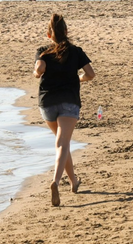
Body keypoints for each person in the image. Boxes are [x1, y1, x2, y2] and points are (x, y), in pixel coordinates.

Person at [33, 14, 95, 206]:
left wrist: (37, 71)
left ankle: (74, 182)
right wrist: (79, 79)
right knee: (62, 144)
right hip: (69, 101)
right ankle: (56, 181)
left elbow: (39, 69)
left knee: (63, 143)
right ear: (66, 32)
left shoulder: (43, 51)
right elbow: (90, 74)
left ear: (48, 34)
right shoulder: (76, 51)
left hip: (48, 101)